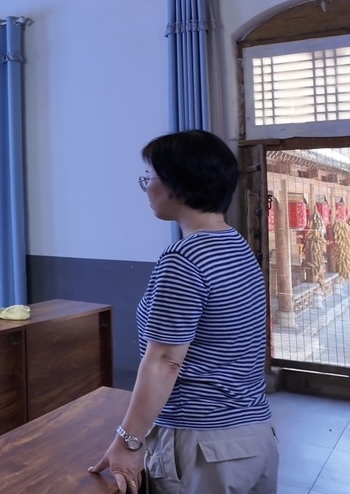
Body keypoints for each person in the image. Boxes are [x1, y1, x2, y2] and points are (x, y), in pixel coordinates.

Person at [89, 130, 278, 493]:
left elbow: (164, 361)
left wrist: (128, 441)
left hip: (204, 446)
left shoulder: (184, 259)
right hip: (255, 437)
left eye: (150, 177)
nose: (146, 188)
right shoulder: (236, 246)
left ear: (176, 184)